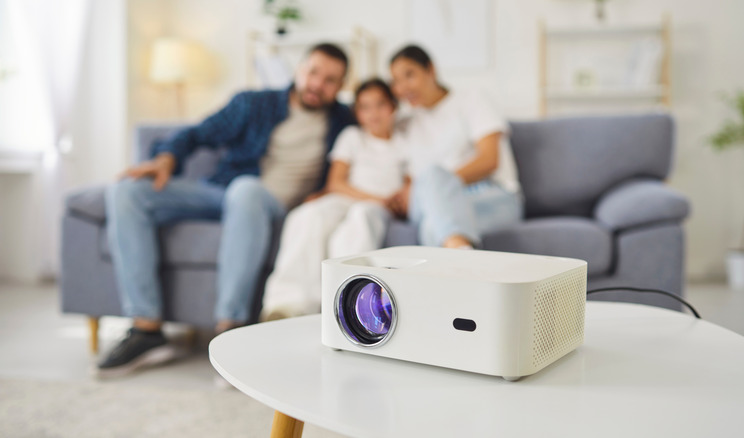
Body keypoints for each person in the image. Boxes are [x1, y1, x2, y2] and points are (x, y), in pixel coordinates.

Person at [96, 43, 354, 377]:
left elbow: (385, 137)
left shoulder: (344, 123)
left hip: (269, 205)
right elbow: (196, 133)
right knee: (126, 192)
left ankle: (229, 329)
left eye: (331, 80)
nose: (318, 84)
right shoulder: (253, 103)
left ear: (341, 87)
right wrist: (165, 160)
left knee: (247, 190)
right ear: (299, 68)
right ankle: (147, 330)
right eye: (313, 72)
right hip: (219, 192)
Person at [261, 78, 408, 320]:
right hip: (346, 196)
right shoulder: (351, 136)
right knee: (309, 215)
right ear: (357, 113)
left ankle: (340, 308)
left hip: (375, 208)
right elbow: (336, 182)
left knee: (359, 221)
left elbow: (408, 187)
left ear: (393, 107)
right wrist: (375, 197)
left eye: (380, 105)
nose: (373, 114)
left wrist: (388, 202)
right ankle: (287, 304)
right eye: (365, 107)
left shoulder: (405, 142)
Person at [386, 44, 523, 249]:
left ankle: (458, 253)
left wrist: (440, 185)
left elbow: (489, 159)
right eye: (396, 81)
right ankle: (463, 254)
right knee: (434, 207)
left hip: (491, 196)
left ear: (430, 70)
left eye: (409, 75)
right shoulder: (409, 124)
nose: (403, 87)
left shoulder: (472, 99)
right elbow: (411, 181)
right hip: (433, 203)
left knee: (433, 221)